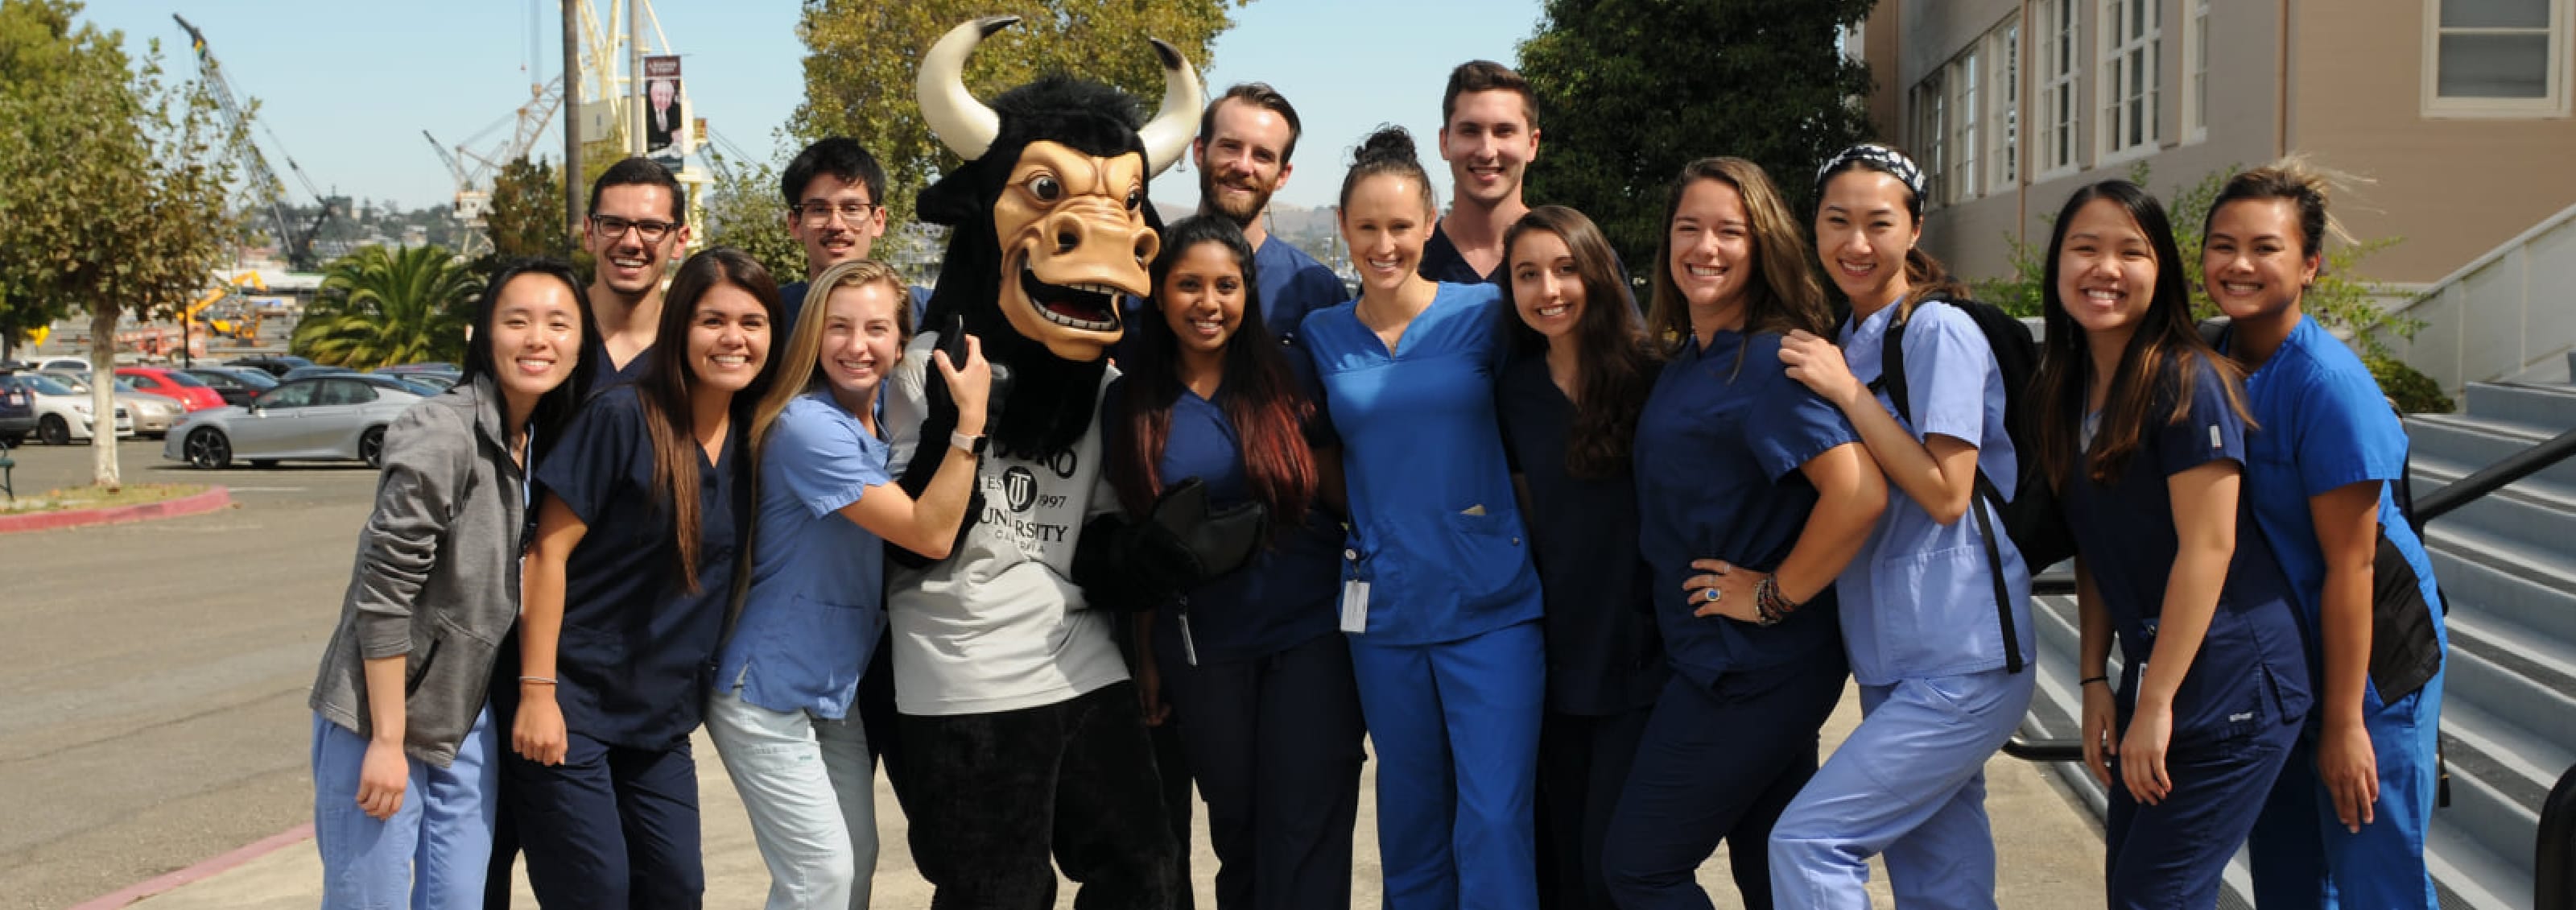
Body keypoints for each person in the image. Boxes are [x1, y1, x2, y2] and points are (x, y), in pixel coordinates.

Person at [1599, 157, 1886, 910]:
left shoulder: (1769, 361)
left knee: (1640, 867)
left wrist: (1771, 595)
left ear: (1763, 248)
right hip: (1714, 661)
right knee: (1772, 872)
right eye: (1688, 228)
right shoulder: (1692, 359)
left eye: (1731, 231)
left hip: (1752, 669)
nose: (1706, 247)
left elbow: (1857, 495)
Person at [1767, 144, 2037, 908]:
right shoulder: (1849, 336)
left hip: (1965, 657)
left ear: (1914, 229)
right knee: (1939, 877)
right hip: (1896, 658)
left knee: (1811, 843)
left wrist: (1848, 392)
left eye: (1879, 223)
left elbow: (1947, 493)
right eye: (1837, 222)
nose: (1857, 243)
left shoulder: (1936, 330)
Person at [2029, 180, 2312, 909]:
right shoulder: (2065, 389)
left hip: (2233, 682)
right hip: (2157, 670)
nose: (2105, 269)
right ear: (2057, 263)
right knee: (2139, 893)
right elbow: (2092, 543)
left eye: (2131, 251)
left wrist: (2154, 701)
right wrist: (2094, 678)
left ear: (2162, 274)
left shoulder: (2191, 382)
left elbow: (2209, 549)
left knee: (2157, 898)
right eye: (2085, 248)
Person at [1299, 126, 1545, 910]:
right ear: (1342, 226)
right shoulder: (1321, 334)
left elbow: (1541, 421)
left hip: (1492, 607)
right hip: (1384, 613)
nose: (1383, 243)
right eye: (1366, 227)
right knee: (1407, 818)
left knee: (1494, 817)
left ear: (1429, 220)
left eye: (1400, 226)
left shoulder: (1485, 314)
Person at [308, 259, 593, 909]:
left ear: (581, 345)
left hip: (464, 722)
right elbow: (382, 594)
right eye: (516, 321)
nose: (537, 339)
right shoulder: (442, 429)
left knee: (460, 897)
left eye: (558, 323)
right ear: (484, 335)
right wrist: (384, 740)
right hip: (378, 717)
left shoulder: (536, 442)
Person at [500, 248, 778, 909]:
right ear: (681, 326)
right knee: (597, 892)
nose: (733, 338)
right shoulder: (622, 416)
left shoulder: (755, 437)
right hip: (571, 702)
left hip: (658, 718)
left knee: (677, 887)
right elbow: (546, 555)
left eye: (753, 322)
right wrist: (538, 694)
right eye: (713, 320)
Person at [708, 259, 991, 910]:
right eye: (839, 328)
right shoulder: (808, 427)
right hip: (766, 691)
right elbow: (929, 533)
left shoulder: (877, 426)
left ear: (900, 343)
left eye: (875, 329)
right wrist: (969, 425)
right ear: (813, 335)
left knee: (856, 865)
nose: (857, 346)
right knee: (822, 879)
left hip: (833, 690)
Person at [1106, 215, 1366, 909]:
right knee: (1242, 831)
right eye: (1188, 285)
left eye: (1225, 284)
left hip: (1310, 633)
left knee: (1307, 825)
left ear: (1247, 293)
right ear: (1159, 294)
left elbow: (1348, 500)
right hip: (1203, 649)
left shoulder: (1289, 377)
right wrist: (1148, 652)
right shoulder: (1132, 402)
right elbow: (1142, 540)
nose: (1208, 302)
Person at [2208, 162, 2448, 910]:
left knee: (2375, 874)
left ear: (2310, 265)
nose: (2240, 264)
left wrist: (2346, 725)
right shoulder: (2214, 357)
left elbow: (2353, 567)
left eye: (2265, 247)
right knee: (2288, 875)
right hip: (2285, 659)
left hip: (2372, 652)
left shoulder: (2327, 385)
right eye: (2222, 245)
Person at [1491, 205, 1666, 910]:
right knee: (1558, 858)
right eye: (1527, 275)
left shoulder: (1653, 375)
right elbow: (1530, 517)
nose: (1549, 290)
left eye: (1565, 269)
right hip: (1552, 653)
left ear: (1597, 272)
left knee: (1613, 864)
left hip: (1643, 652)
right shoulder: (1513, 392)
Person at [1191, 83, 1348, 341]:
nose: (1243, 166)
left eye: (1262, 155)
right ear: (1200, 151)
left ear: (1282, 175)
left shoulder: (1318, 293)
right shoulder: (1146, 271)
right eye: (1230, 146)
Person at [775, 138, 931, 330]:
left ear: (878, 220)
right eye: (818, 209)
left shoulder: (924, 313)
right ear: (795, 223)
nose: (836, 225)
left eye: (851, 209)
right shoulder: (770, 315)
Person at [1421, 60, 1541, 285]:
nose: (1487, 151)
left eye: (1504, 132)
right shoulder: (1405, 267)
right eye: (1470, 131)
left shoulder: (1577, 262)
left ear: (1532, 144)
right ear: (1444, 142)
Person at [582, 157, 692, 386]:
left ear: (680, 241)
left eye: (651, 227)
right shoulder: (545, 342)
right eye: (613, 224)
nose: (631, 242)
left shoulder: (691, 353)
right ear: (589, 233)